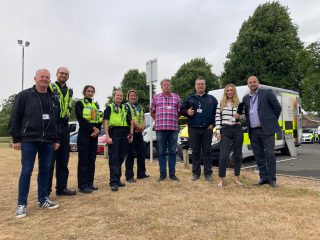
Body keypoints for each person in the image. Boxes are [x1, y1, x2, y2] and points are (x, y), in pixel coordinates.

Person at [9, 69, 60, 218]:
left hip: (47, 141)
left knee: (45, 170)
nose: (44, 79)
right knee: (26, 171)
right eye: (42, 77)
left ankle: (42, 199)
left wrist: (56, 139)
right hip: (29, 139)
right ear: (35, 79)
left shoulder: (53, 97)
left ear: (50, 80)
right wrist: (16, 139)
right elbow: (15, 117)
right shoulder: (24, 95)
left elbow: (55, 120)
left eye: (47, 77)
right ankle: (21, 205)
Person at [241, 76, 282, 188]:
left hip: (266, 130)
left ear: (258, 83)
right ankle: (263, 178)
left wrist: (270, 120)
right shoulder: (246, 98)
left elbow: (277, 108)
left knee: (270, 154)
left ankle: (272, 179)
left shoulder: (267, 93)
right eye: (250, 82)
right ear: (248, 84)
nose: (252, 84)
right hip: (253, 131)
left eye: (254, 82)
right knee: (258, 156)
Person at [181, 77, 218, 182]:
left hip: (207, 129)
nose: (200, 86)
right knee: (195, 152)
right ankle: (196, 173)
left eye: (202, 84)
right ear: (195, 86)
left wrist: (213, 124)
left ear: (205, 86)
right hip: (193, 129)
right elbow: (181, 110)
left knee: (207, 152)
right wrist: (187, 112)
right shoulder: (189, 99)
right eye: (198, 84)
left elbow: (217, 114)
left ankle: (208, 174)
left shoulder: (212, 99)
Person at [48, 67, 76, 196]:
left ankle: (61, 188)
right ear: (57, 74)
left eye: (66, 74)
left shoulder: (70, 90)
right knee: (49, 161)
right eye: (62, 73)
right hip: (52, 125)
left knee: (64, 160)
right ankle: (46, 190)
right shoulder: (50, 87)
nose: (64, 75)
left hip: (65, 126)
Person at [150, 79, 181, 182]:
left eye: (168, 84)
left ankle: (172, 174)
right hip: (160, 129)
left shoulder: (176, 97)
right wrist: (159, 119)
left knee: (173, 151)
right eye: (164, 85)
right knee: (161, 152)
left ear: (170, 86)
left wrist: (172, 119)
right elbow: (152, 112)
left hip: (173, 129)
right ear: (161, 86)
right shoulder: (155, 97)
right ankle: (162, 174)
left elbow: (179, 112)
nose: (166, 86)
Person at [103, 90, 133, 191]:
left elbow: (131, 122)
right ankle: (113, 182)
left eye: (121, 95)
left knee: (121, 157)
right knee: (114, 158)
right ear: (114, 97)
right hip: (114, 133)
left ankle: (118, 179)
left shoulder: (125, 108)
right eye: (117, 95)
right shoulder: (109, 107)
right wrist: (107, 136)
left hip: (124, 133)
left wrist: (131, 134)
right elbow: (106, 122)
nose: (119, 97)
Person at [75, 85, 103, 193]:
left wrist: (98, 130)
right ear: (84, 92)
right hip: (84, 134)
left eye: (92, 91)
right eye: (88, 91)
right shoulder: (79, 103)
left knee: (92, 160)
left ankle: (90, 183)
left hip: (94, 135)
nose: (90, 93)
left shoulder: (95, 105)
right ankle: (82, 185)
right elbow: (80, 119)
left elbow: (99, 118)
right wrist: (93, 129)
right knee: (83, 160)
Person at [215, 84, 243, 187]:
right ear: (225, 92)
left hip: (237, 129)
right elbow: (217, 118)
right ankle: (221, 179)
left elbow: (244, 119)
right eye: (228, 90)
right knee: (224, 155)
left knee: (238, 155)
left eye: (231, 90)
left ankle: (236, 178)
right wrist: (218, 131)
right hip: (225, 130)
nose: (230, 92)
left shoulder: (239, 103)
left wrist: (240, 117)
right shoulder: (221, 103)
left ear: (234, 91)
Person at [125, 90, 150, 183]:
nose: (133, 97)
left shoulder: (140, 107)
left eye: (134, 95)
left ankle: (141, 173)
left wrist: (142, 127)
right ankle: (129, 176)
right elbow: (129, 119)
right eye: (131, 95)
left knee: (142, 153)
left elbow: (143, 118)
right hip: (130, 132)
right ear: (128, 97)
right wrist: (139, 127)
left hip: (139, 132)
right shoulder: (126, 106)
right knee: (130, 154)